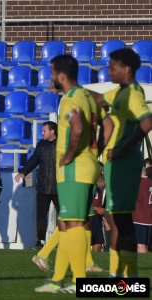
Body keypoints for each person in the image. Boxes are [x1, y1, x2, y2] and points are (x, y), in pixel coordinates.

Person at [35, 54, 113, 294]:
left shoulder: (69, 101)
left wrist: (69, 155)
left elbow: (77, 127)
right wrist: (96, 151)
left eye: (52, 74)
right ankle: (58, 279)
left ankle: (79, 281)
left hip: (73, 170)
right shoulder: (87, 96)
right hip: (88, 166)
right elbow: (108, 124)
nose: (50, 79)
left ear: (61, 75)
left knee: (74, 224)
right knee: (69, 224)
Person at [89, 48, 152, 278]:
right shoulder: (119, 92)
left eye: (113, 66)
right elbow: (98, 98)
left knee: (122, 220)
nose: (109, 70)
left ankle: (128, 275)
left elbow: (147, 121)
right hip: (116, 163)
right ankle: (120, 274)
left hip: (125, 163)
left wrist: (123, 148)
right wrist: (72, 88)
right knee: (118, 219)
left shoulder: (133, 94)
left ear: (126, 69)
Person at [14, 121, 58, 250]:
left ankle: (62, 241)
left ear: (52, 131)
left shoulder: (62, 145)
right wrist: (23, 172)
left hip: (60, 188)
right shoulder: (41, 145)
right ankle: (41, 241)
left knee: (63, 216)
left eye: (44, 130)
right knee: (41, 215)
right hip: (43, 187)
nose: (42, 133)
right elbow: (34, 160)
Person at [132, 158, 152, 253]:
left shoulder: (138, 183)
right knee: (146, 246)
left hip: (139, 219)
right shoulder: (150, 182)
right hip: (149, 219)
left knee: (140, 246)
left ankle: (141, 266)